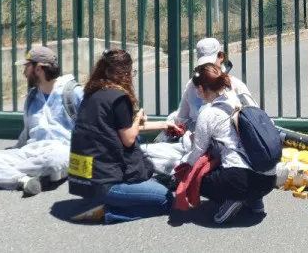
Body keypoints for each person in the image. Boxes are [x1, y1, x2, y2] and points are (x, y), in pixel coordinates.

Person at [68, 49, 173, 224]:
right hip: (107, 183)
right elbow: (128, 137)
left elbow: (119, 129)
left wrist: (164, 125)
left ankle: (107, 202)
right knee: (166, 198)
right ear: (125, 72)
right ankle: (108, 212)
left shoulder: (93, 93)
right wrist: (138, 116)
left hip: (83, 181)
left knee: (152, 180)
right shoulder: (118, 98)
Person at [0, 46, 83, 196]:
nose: (24, 73)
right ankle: (23, 180)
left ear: (39, 69)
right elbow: (26, 133)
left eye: (27, 67)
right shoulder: (32, 97)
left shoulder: (73, 93)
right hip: (31, 151)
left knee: (53, 162)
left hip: (60, 151)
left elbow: (93, 127)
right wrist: (14, 151)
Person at [142, 37, 256, 176]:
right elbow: (181, 118)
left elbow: (254, 115)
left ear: (221, 57)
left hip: (216, 152)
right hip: (198, 146)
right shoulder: (192, 85)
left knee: (156, 158)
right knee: (146, 152)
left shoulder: (234, 86)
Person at [181, 62, 277, 224]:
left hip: (239, 181)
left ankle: (233, 199)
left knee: (197, 175)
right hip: (269, 180)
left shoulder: (208, 114)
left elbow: (197, 154)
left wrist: (181, 168)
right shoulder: (238, 101)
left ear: (200, 89)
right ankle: (254, 200)